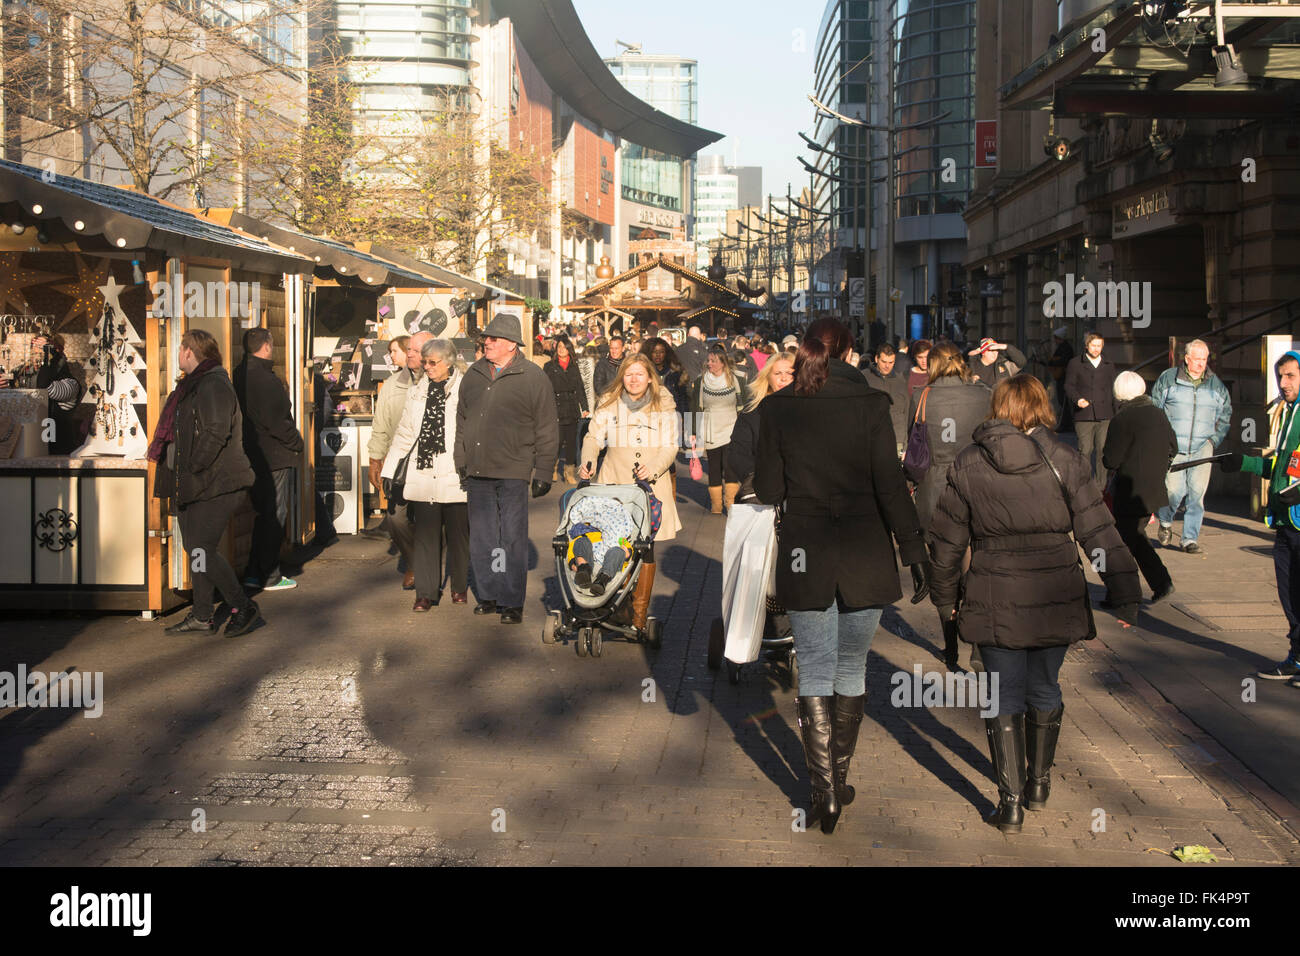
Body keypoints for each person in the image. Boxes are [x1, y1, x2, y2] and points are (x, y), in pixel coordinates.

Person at [928, 375, 1140, 833]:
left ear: (998, 408)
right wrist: (1123, 591)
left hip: (993, 593)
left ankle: (1009, 805)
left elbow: (946, 542)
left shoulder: (968, 462)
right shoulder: (1066, 459)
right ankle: (1038, 782)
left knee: (1002, 693)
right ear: (1042, 408)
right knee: (1044, 688)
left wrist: (946, 600)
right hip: (1055, 593)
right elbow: (1097, 531)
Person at [754, 318, 930, 835]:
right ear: (851, 355)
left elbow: (766, 489)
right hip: (865, 547)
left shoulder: (778, 407)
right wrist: (914, 547)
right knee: (851, 666)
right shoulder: (872, 405)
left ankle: (823, 791)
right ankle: (838, 778)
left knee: (814, 665)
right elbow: (889, 485)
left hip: (806, 547)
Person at [152, 330, 263, 637]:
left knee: (200, 546)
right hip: (194, 483)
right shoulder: (192, 386)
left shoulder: (213, 384)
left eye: (180, 348)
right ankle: (202, 613)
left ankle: (243, 605)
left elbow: (215, 431)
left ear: (190, 352)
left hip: (215, 482)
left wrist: (193, 468)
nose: (177, 354)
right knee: (195, 548)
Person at [455, 313, 558, 624]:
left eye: (493, 338)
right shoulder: (473, 373)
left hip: (513, 470)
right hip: (477, 471)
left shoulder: (533, 377)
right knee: (483, 538)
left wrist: (543, 472)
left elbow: (547, 427)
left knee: (512, 537)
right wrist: (461, 460)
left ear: (511, 344)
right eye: (486, 338)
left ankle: (511, 601)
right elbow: (462, 421)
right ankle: (487, 594)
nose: (486, 342)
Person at [578, 353, 681, 631]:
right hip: (614, 484)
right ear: (621, 377)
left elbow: (670, 445)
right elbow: (593, 438)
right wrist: (587, 463)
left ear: (650, 377)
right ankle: (616, 603)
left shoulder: (664, 405)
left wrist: (655, 468)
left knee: (645, 548)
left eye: (639, 374)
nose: (634, 379)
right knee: (614, 542)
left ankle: (638, 614)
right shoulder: (608, 404)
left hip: (650, 487)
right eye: (628, 374)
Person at [907, 342, 992, 670]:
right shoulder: (983, 394)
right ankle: (979, 648)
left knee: (943, 569)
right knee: (974, 567)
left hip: (934, 493)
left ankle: (951, 641)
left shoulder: (923, 396)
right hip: (976, 489)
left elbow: (914, 453)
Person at [1220, 351, 1300, 684]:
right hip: (1284, 520)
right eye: (1280, 376)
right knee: (1289, 592)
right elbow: (1280, 467)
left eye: (1290, 376)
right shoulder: (1288, 413)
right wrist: (1242, 463)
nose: (1283, 384)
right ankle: (1297, 657)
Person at [382, 339, 470, 610]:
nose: (428, 367)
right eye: (426, 362)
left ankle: (458, 586)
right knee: (425, 534)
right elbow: (406, 432)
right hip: (424, 468)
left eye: (434, 363)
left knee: (458, 535)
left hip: (455, 470)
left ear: (449, 362)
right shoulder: (417, 390)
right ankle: (425, 592)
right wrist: (389, 468)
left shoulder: (464, 389)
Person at [233, 327, 303, 593]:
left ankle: (253, 572)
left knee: (263, 514)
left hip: (250, 453)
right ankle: (270, 574)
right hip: (274, 455)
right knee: (275, 514)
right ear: (267, 346)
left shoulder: (239, 375)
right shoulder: (267, 380)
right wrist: (297, 442)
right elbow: (278, 421)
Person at [1103, 370, 1177, 604]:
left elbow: (1111, 460)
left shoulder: (1122, 418)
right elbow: (1173, 447)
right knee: (1134, 539)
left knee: (1121, 545)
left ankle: (1121, 593)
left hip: (1129, 491)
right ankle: (1160, 582)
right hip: (1153, 489)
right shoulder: (1158, 414)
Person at [1152, 339, 1232, 554]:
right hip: (1174, 447)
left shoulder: (1216, 384)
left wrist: (1213, 440)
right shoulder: (1168, 379)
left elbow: (1225, 415)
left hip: (1202, 447)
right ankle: (1166, 521)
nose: (1200, 364)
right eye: (1196, 359)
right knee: (1174, 492)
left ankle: (1189, 539)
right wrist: (1161, 439)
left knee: (1197, 494)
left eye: (1204, 360)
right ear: (1186, 359)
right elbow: (1155, 409)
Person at [369, 331, 433, 589]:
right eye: (408, 351)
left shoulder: (441, 381)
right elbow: (380, 425)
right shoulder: (393, 385)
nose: (409, 355)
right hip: (400, 464)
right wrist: (375, 459)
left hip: (431, 464)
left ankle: (426, 567)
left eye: (414, 351)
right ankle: (414, 560)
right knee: (396, 518)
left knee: (430, 519)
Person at [689, 344, 751, 515]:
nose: (710, 364)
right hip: (710, 429)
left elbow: (746, 405)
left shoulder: (737, 379)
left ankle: (730, 503)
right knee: (715, 468)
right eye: (708, 361)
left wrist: (747, 430)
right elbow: (694, 408)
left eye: (714, 361)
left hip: (731, 428)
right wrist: (691, 432)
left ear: (723, 363)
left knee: (730, 466)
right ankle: (716, 505)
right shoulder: (701, 380)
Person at [726, 351, 794, 503]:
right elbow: (737, 451)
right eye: (777, 373)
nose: (784, 378)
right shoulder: (753, 411)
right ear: (768, 377)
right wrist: (757, 478)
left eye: (789, 373)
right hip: (764, 495)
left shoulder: (811, 409)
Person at [1064, 332, 1118, 484]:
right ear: (1087, 345)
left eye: (1099, 346)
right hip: (1084, 414)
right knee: (1085, 450)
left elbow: (1113, 389)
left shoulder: (1108, 364)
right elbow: (1069, 386)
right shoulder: (1075, 363)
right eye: (1093, 345)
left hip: (1105, 414)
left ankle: (1101, 485)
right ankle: (1084, 483)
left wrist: (1116, 412)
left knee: (1102, 450)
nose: (1096, 349)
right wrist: (1078, 399)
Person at [542, 334, 590, 484]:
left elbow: (580, 388)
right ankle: (553, 469)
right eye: (560, 347)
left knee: (571, 442)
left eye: (565, 347)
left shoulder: (574, 366)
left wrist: (585, 407)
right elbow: (544, 388)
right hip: (555, 406)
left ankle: (569, 472)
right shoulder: (549, 366)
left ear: (569, 349)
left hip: (571, 406)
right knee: (556, 440)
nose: (562, 349)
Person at [23, 334, 82, 454]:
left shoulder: (70, 383)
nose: (36, 354)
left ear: (57, 351)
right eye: (34, 349)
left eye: (42, 349)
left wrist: (52, 355)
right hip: (29, 449)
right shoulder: (25, 376)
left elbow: (44, 387)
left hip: (57, 454)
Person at [863, 343, 909, 456]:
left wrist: (905, 444)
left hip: (897, 440)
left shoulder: (901, 381)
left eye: (891, 362)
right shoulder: (864, 378)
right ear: (876, 359)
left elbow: (906, 412)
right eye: (884, 362)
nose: (887, 366)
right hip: (871, 440)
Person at [1047, 327, 1075, 431]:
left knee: (1064, 402)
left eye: (1056, 338)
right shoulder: (1062, 347)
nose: (1055, 340)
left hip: (1064, 377)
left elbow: (1063, 361)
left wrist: (1052, 362)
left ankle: (1066, 424)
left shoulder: (1065, 348)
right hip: (1061, 377)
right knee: (1062, 401)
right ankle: (1065, 423)